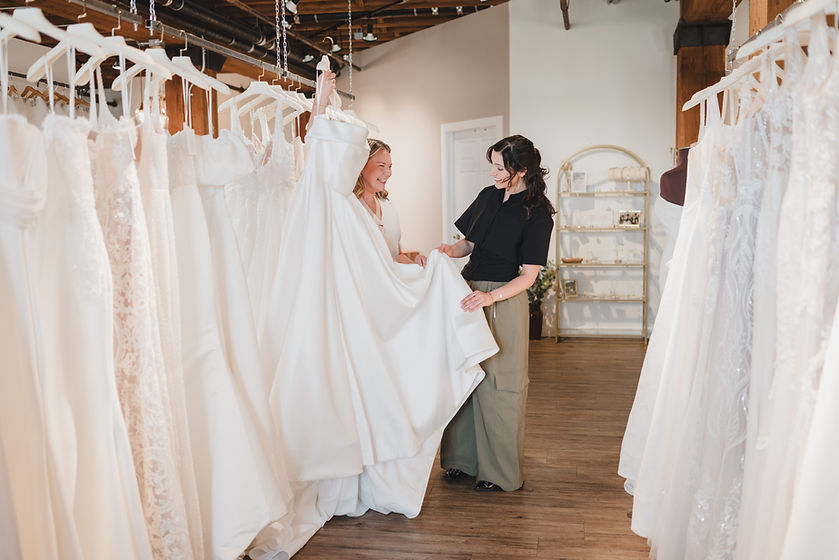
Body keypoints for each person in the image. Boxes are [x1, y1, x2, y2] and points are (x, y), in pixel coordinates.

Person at [438, 134, 555, 492]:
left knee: (499, 385)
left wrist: (492, 299)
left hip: (503, 300)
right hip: (467, 292)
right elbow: (468, 244)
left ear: (520, 170)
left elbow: (529, 275)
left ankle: (498, 472)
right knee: (464, 377)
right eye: (492, 164)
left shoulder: (538, 213)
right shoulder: (488, 197)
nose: (491, 172)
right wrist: (444, 252)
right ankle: (460, 460)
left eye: (499, 167)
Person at [355, 138, 427, 266]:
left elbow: (397, 255)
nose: (388, 173)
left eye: (390, 166)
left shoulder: (387, 206)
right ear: (361, 165)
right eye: (381, 166)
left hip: (392, 282)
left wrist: (417, 266)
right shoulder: (351, 206)